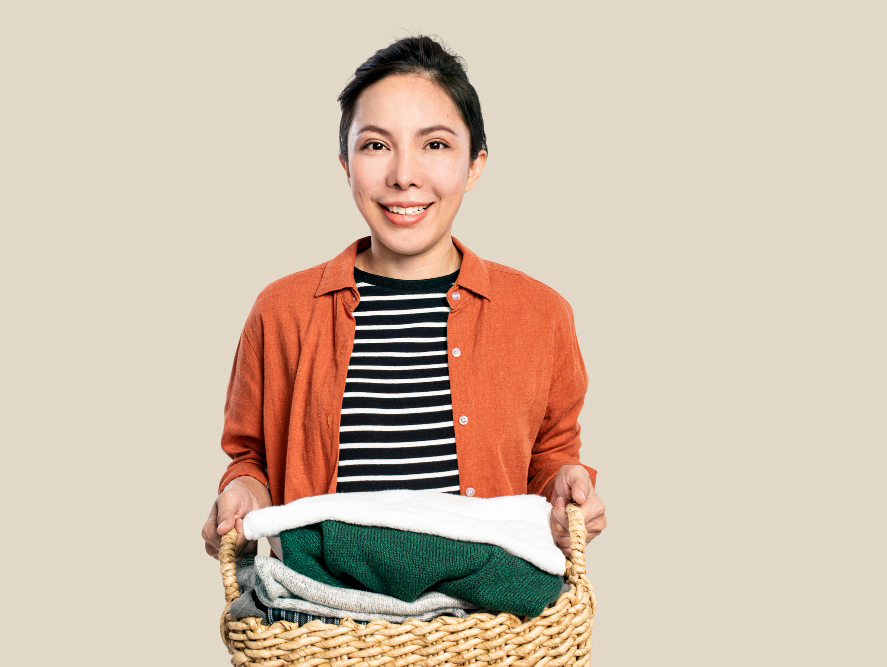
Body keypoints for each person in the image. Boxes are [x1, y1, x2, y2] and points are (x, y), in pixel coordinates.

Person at [202, 35, 606, 563]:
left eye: (434, 145)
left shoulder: (541, 314)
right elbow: (251, 459)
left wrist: (568, 490)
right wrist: (239, 499)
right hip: (324, 625)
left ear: (474, 164)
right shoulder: (282, 312)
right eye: (375, 145)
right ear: (346, 162)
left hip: (486, 624)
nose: (403, 176)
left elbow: (551, 460)